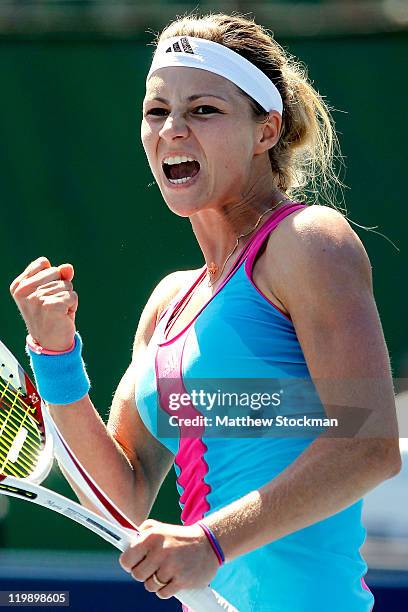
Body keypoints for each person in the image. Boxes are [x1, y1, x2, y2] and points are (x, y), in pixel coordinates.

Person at [10, 12, 400, 612]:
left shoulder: (307, 242)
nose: (172, 130)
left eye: (203, 110)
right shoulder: (168, 304)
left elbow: (369, 443)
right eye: (156, 110)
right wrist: (55, 353)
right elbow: (123, 500)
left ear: (266, 130)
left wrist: (211, 542)